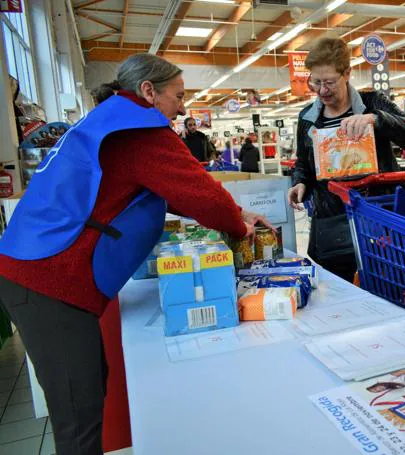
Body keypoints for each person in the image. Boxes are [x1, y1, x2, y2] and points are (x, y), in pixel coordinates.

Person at [0, 53, 271, 455]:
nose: (183, 106)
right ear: (149, 91)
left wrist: (237, 212)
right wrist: (238, 225)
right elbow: (201, 193)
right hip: (46, 282)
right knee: (79, 414)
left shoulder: (112, 120)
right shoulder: (141, 131)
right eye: (177, 96)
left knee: (89, 387)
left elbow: (155, 189)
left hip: (34, 271)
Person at [287, 37, 405, 282]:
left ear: (347, 73)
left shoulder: (373, 103)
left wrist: (377, 119)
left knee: (389, 288)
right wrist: (300, 182)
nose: (322, 91)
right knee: (340, 295)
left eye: (329, 82)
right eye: (316, 82)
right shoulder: (307, 118)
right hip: (332, 227)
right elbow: (303, 163)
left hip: (380, 222)